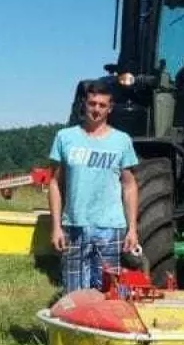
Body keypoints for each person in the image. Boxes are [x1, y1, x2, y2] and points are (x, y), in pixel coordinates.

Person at [47, 79, 140, 292]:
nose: (96, 110)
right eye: (92, 104)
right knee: (75, 294)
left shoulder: (122, 141)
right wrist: (56, 227)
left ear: (109, 108)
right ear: (85, 104)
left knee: (110, 293)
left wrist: (132, 230)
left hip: (110, 228)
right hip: (75, 226)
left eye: (101, 105)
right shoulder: (65, 137)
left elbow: (129, 186)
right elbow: (55, 183)